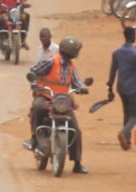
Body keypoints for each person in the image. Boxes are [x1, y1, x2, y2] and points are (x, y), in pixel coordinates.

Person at [26, 36, 89, 174]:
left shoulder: (71, 66)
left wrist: (82, 87)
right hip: (46, 97)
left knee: (76, 130)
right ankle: (34, 139)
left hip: (62, 101)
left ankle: (77, 163)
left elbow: (77, 82)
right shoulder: (51, 60)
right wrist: (34, 81)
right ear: (70, 51)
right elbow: (34, 70)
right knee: (37, 108)